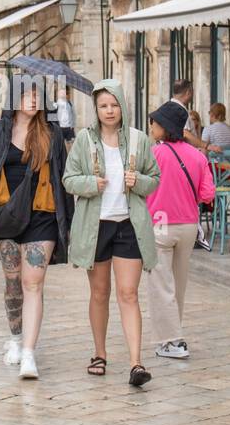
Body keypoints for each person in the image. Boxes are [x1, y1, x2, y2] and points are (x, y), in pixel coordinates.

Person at [0, 74, 72, 380]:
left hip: (42, 216)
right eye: (27, 94)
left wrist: (69, 222)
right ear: (14, 97)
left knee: (33, 282)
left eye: (38, 94)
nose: (33, 100)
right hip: (5, 218)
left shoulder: (51, 134)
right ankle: (14, 338)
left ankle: (29, 353)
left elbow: (62, 179)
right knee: (13, 283)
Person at [63, 80, 159, 386]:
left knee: (128, 293)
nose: (109, 111)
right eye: (103, 105)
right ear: (96, 108)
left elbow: (154, 180)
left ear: (123, 106)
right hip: (96, 225)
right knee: (100, 292)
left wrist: (138, 181)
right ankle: (100, 353)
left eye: (114, 104)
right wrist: (91, 184)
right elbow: (69, 179)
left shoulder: (139, 140)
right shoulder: (84, 140)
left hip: (129, 225)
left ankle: (136, 363)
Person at [145, 101, 214, 360]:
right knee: (178, 283)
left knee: (160, 284)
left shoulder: (154, 154)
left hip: (160, 222)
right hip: (187, 225)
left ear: (164, 126)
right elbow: (207, 194)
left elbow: (142, 188)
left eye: (154, 122)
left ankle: (171, 341)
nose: (151, 126)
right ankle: (173, 335)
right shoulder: (198, 156)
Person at [169, 79, 209, 153]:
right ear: (188, 92)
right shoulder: (181, 111)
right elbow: (185, 134)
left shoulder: (168, 107)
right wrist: (206, 145)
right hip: (182, 155)